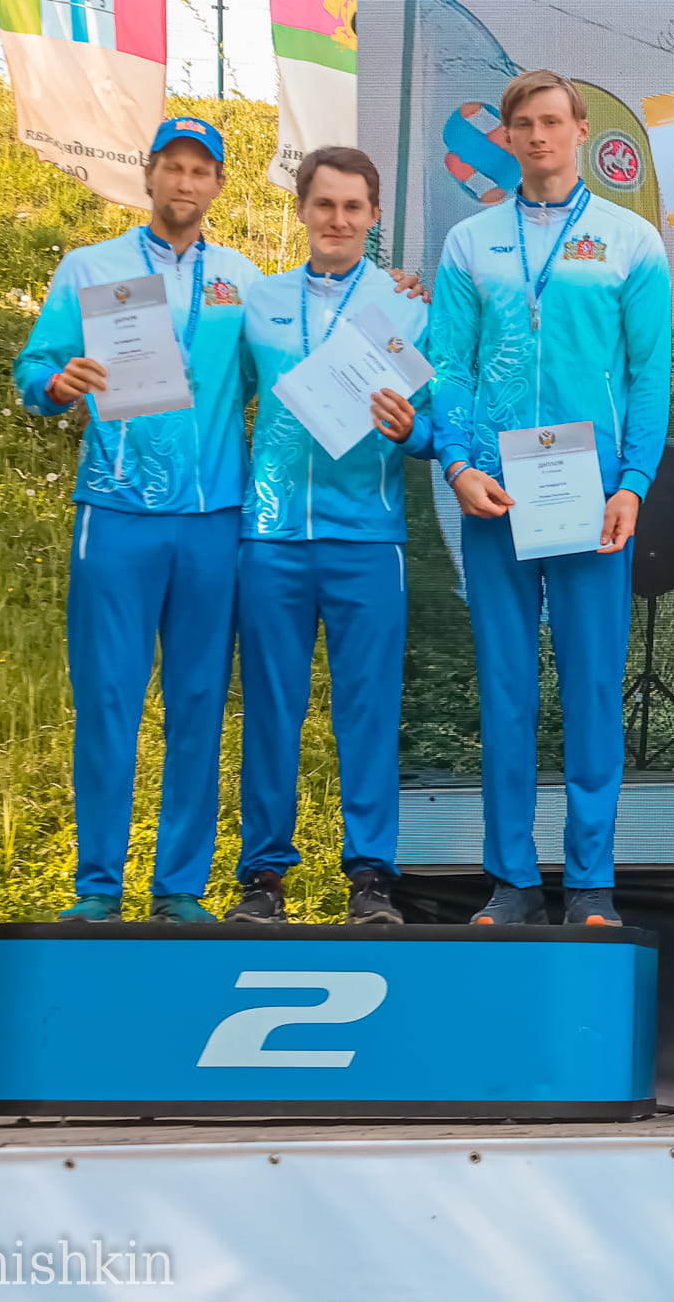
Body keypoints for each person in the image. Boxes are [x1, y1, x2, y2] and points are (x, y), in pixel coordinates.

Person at [429, 70, 673, 926]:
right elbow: (448, 366)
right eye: (524, 124)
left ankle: (591, 884)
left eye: (552, 122)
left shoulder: (631, 240)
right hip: (495, 492)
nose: (539, 136)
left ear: (579, 131)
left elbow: (648, 377)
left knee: (593, 690)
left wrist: (633, 484)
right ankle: (512, 882)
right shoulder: (470, 243)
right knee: (507, 690)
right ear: (506, 136)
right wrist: (456, 464)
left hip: (588, 495)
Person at [15, 117, 266, 924]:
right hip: (117, 510)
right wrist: (57, 383)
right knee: (108, 698)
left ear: (217, 184)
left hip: (212, 515)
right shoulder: (91, 267)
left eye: (201, 170)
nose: (186, 183)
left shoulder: (243, 280)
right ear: (149, 173)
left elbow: (285, 364)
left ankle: (179, 888)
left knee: (199, 700)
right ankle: (97, 886)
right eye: (173, 167)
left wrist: (391, 300)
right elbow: (33, 365)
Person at [223, 146, 435, 927]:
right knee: (270, 710)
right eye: (324, 205)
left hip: (367, 539)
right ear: (303, 209)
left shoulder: (408, 306)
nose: (338, 220)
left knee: (368, 711)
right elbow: (223, 400)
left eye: (353, 207)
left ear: (374, 216)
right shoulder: (260, 300)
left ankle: (371, 878)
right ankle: (263, 879)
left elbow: (436, 422)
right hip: (272, 536)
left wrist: (413, 430)